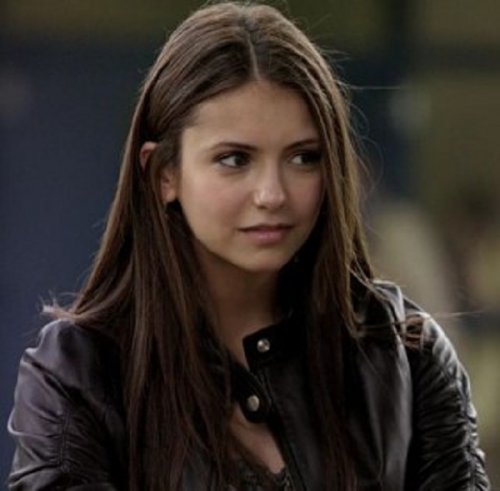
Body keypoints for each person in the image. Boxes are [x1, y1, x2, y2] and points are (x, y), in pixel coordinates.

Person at [7, 2, 490, 490]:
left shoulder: (405, 355)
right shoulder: (82, 372)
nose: (272, 195)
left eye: (303, 158)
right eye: (235, 159)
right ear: (164, 173)